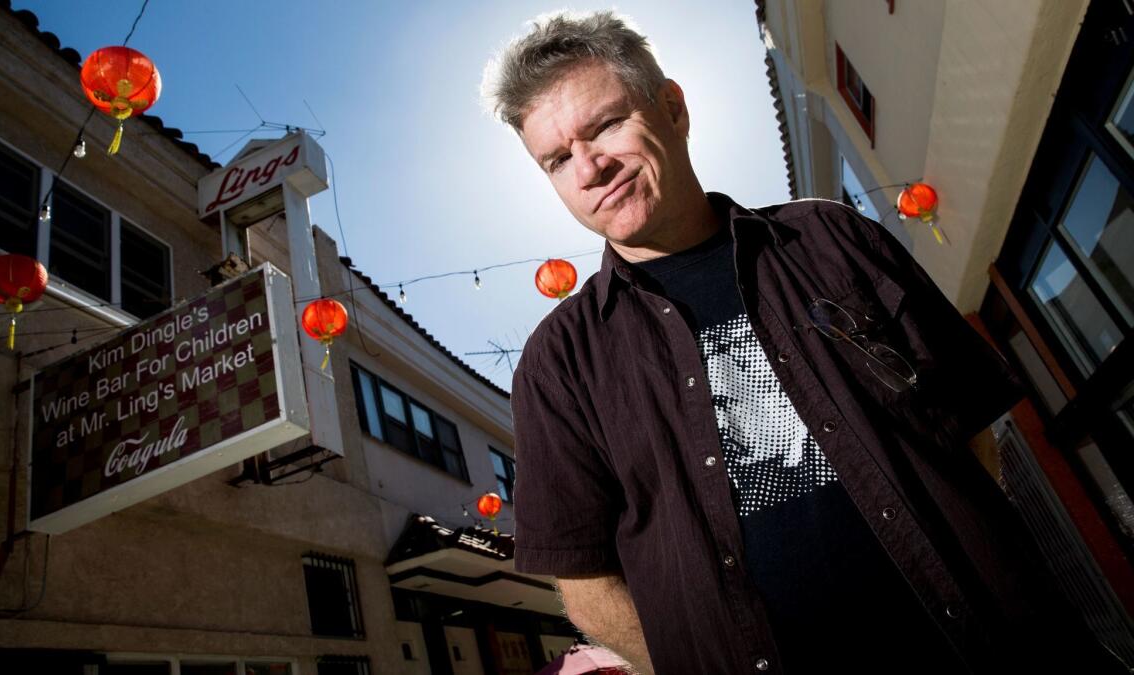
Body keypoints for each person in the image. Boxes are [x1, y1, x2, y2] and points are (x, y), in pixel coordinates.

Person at [482, 10, 1126, 675]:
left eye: (606, 125)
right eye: (558, 159)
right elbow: (586, 582)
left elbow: (969, 426)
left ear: (671, 108)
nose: (589, 167)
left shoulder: (832, 240)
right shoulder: (557, 366)